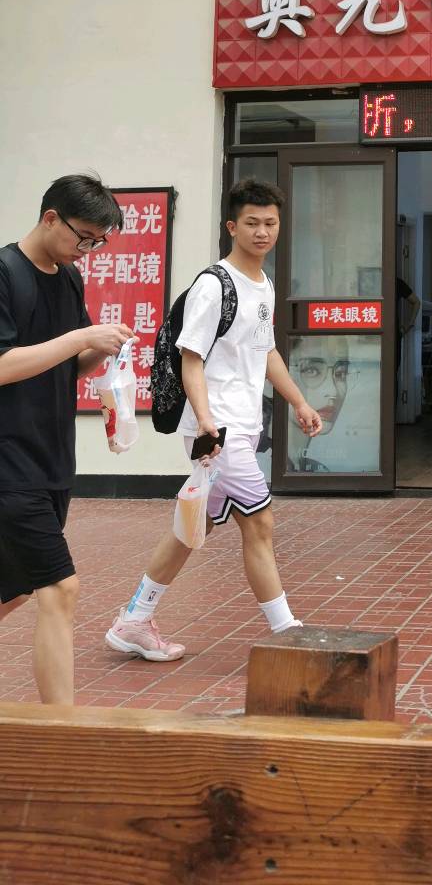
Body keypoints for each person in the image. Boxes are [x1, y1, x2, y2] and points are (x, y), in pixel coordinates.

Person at [105, 178, 322, 661]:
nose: (262, 232)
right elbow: (192, 358)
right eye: (252, 223)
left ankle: (134, 619)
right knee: (259, 522)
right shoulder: (213, 285)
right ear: (232, 226)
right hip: (217, 429)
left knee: (191, 525)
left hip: (239, 425)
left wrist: (299, 402)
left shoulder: (263, 284)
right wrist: (205, 420)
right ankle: (286, 632)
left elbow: (266, 353)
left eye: (270, 223)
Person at [0, 174, 132, 703]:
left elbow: (68, 364)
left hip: (53, 457)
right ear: (50, 217)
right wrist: (81, 335)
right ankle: (61, 728)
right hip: (9, 461)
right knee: (60, 586)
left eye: (99, 242)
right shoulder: (5, 272)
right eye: (84, 237)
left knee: (16, 587)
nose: (88, 250)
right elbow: (4, 365)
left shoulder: (69, 278)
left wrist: (101, 348)